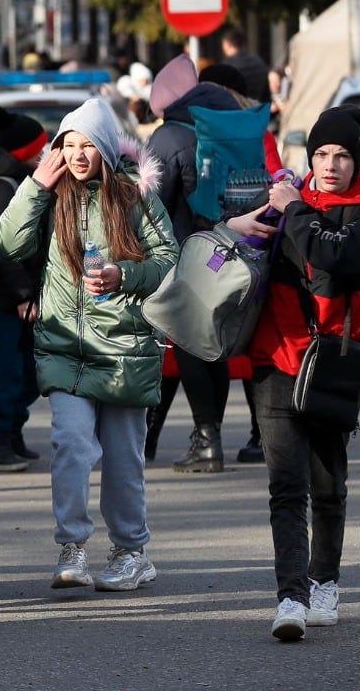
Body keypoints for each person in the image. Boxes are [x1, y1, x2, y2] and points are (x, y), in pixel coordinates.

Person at [225, 105, 360, 641]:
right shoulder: (286, 197)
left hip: (334, 364)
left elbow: (332, 261)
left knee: (326, 481)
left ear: (357, 161)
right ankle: (291, 597)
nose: (330, 164)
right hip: (273, 357)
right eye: (321, 153)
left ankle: (324, 581)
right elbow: (228, 243)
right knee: (285, 483)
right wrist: (233, 225)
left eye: (343, 155)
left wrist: (294, 208)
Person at [0, 98, 177, 593]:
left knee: (122, 458)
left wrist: (125, 275)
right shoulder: (52, 194)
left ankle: (131, 551)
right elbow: (8, 246)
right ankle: (71, 547)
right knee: (70, 445)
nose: (76, 155)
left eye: (86, 145)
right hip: (64, 345)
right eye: (67, 144)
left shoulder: (134, 195)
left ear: (104, 148)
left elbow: (169, 259)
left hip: (124, 349)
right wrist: (35, 186)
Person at [146, 57, 269, 470]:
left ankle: (206, 440)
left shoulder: (171, 135)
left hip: (188, 253)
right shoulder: (231, 125)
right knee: (212, 345)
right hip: (232, 247)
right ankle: (208, 435)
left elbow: (153, 204)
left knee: (188, 345)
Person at [0, 108, 49, 471]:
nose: (46, 151)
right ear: (25, 152)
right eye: (40, 147)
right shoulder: (3, 188)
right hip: (0, 299)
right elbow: (2, 248)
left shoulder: (22, 183)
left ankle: (12, 433)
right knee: (7, 371)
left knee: (28, 372)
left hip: (19, 296)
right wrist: (21, 294)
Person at [220, 27, 271, 104]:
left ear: (227, 44)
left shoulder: (225, 67)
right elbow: (266, 97)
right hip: (256, 111)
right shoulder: (259, 62)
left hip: (235, 112)